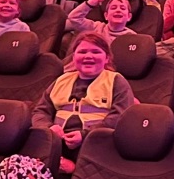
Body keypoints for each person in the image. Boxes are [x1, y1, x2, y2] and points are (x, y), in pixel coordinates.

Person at [35, 32, 136, 171]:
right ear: (74, 57)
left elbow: (120, 116)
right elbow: (40, 111)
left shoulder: (116, 81)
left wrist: (84, 135)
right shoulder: (61, 80)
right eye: (82, 52)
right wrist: (49, 128)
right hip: (56, 145)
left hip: (97, 146)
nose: (88, 56)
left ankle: (75, 170)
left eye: (96, 52)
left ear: (107, 58)